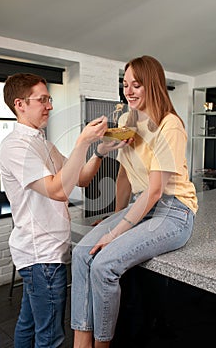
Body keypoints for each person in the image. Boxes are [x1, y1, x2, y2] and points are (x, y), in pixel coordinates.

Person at [70, 55, 198, 348]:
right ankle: (81, 343)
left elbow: (155, 191)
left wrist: (116, 233)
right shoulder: (128, 121)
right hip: (141, 208)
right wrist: (116, 218)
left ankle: (102, 345)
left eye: (136, 85)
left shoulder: (170, 126)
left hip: (174, 212)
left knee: (104, 265)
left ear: (152, 85)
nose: (128, 91)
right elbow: (124, 177)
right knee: (81, 254)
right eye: (125, 85)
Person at [0, 73, 130, 348]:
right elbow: (58, 190)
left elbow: (79, 177)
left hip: (46, 252)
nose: (50, 105)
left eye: (50, 98)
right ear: (20, 104)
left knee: (29, 324)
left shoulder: (42, 143)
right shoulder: (15, 147)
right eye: (42, 99)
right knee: (51, 337)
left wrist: (100, 151)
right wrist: (82, 140)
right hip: (41, 255)